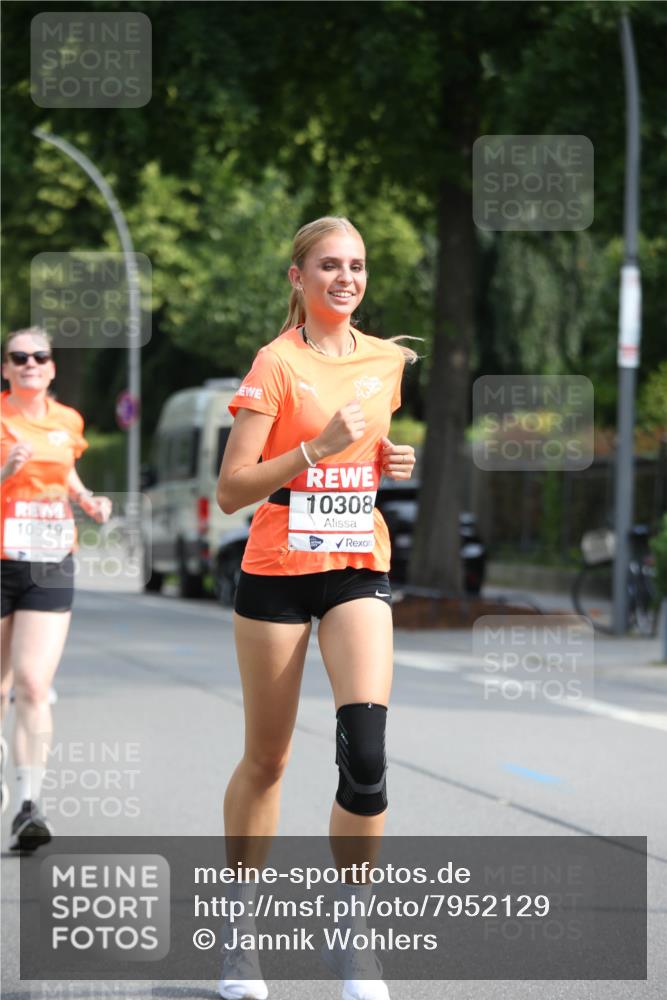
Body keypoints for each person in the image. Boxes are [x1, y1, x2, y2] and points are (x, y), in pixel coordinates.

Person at [216, 217, 417, 1000]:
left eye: (357, 266)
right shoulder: (276, 364)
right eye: (328, 265)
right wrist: (315, 446)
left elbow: (368, 456)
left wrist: (388, 459)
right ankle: (239, 936)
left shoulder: (386, 361)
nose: (345, 277)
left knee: (364, 756)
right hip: (275, 569)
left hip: (355, 564)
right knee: (268, 759)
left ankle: (350, 931)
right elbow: (231, 491)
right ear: (297, 278)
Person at [0, 326, 111, 850]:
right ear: (5, 369)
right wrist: (5, 472)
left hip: (50, 560)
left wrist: (88, 499)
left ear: (51, 367)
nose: (29, 363)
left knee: (33, 684)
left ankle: (28, 806)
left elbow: (65, 472)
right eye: (18, 357)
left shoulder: (68, 422)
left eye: (38, 356)